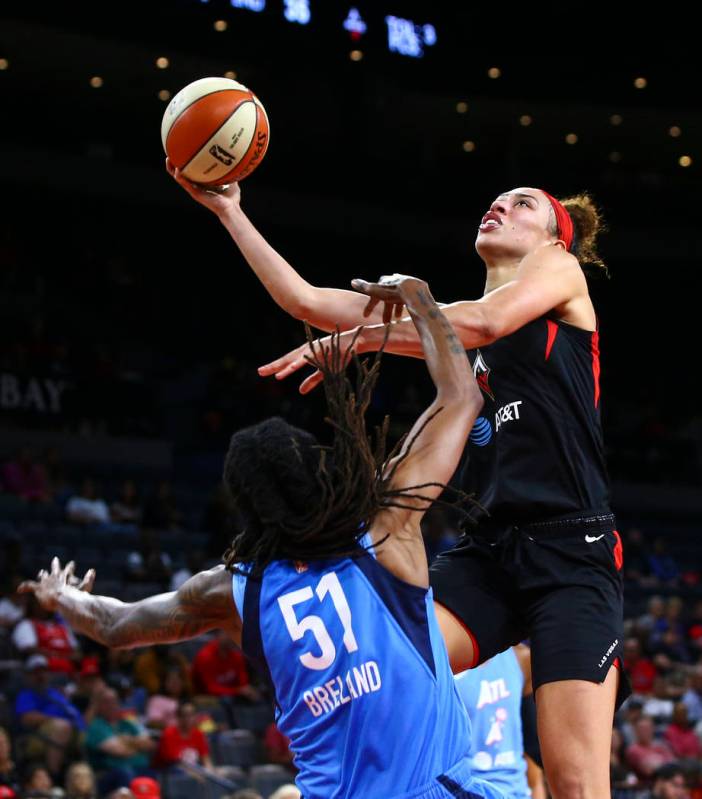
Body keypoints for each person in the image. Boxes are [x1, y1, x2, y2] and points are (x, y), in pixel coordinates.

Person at [166, 166, 626, 798]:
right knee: (385, 664)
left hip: (571, 552)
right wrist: (230, 211)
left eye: (522, 205)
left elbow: (484, 324)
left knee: (576, 786)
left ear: (554, 239)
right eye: (495, 200)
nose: (499, 206)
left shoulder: (559, 276)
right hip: (489, 552)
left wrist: (361, 338)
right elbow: (306, 301)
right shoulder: (451, 324)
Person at [20, 275, 501, 799]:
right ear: (322, 476)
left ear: (248, 509)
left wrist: (60, 595)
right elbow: (460, 396)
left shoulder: (233, 591)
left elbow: (115, 625)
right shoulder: (384, 530)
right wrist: (419, 296)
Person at [454, 644, 537, 799]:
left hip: (517, 792)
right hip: (466, 791)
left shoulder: (521, 657)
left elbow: (530, 744)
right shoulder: (442, 662)